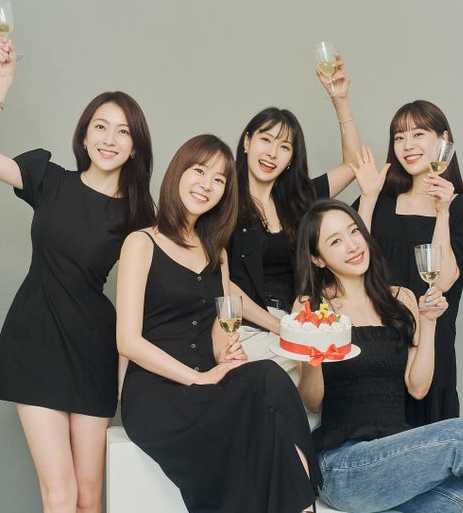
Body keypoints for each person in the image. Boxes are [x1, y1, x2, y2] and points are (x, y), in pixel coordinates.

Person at [0, 37, 154, 512]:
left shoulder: (139, 214)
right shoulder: (49, 179)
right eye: (100, 127)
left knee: (89, 498)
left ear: (135, 147)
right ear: (84, 136)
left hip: (94, 349)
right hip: (35, 340)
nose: (109, 139)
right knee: (61, 493)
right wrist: (1, 81)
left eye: (123, 132)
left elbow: (169, 277)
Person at [294, 199, 463, 513]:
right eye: (335, 241)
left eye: (354, 232)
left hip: (400, 459)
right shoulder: (312, 307)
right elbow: (312, 402)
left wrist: (428, 322)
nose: (352, 245)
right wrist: (313, 355)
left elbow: (417, 387)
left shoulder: (400, 298)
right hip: (345, 467)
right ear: (317, 258)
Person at [116, 134, 321, 513]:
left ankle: (303, 502)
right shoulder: (141, 243)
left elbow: (217, 325)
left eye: (219, 179)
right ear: (178, 172)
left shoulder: (217, 253)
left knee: (269, 377)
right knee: (259, 409)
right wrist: (199, 379)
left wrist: (226, 353)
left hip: (206, 382)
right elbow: (127, 341)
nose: (206, 185)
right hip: (156, 393)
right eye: (199, 171)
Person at [353, 100, 463, 425]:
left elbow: (440, 281)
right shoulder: (378, 200)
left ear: (443, 140)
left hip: (430, 353)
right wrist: (368, 198)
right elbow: (352, 264)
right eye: (399, 137)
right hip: (375, 352)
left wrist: (443, 212)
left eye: (418, 134)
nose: (407, 145)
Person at [228, 56, 361, 377]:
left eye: (284, 146)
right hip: (245, 327)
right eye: (265, 140)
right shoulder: (224, 201)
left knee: (333, 370)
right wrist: (283, 329)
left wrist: (340, 99)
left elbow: (355, 165)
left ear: (291, 158)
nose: (272, 153)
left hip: (295, 323)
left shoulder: (300, 200)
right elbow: (220, 284)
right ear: (247, 141)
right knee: (299, 372)